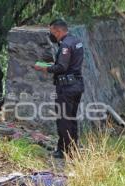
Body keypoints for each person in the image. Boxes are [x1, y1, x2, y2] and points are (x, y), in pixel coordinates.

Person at [35, 19, 84, 158]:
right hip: (76, 85)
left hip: (66, 88)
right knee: (71, 119)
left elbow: (62, 67)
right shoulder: (76, 41)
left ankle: (65, 152)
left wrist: (45, 68)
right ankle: (72, 149)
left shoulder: (65, 45)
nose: (52, 35)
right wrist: (53, 64)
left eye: (52, 32)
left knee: (63, 120)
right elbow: (68, 64)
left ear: (58, 30)